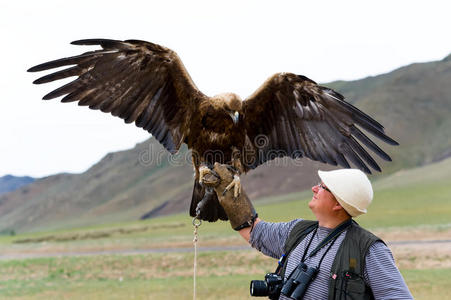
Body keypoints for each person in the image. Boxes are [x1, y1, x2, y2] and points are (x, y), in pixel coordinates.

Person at [204, 163, 413, 300]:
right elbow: (254, 231)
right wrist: (230, 194)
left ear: (339, 203)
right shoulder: (297, 231)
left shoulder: (367, 249)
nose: (314, 188)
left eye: (322, 186)